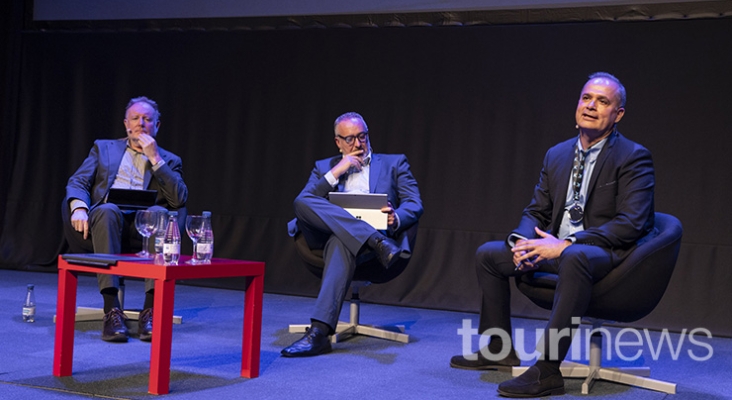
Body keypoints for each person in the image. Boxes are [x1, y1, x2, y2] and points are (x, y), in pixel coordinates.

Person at [449, 72, 655, 397]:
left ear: (618, 114)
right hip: (554, 249)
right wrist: (520, 242)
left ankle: (547, 370)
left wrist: (566, 244)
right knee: (490, 255)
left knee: (574, 257)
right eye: (586, 98)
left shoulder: (633, 156)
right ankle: (498, 348)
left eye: (603, 101)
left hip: (602, 253)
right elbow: (536, 211)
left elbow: (632, 223)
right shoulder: (557, 154)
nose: (591, 106)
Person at [281, 112, 423, 357]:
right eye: (350, 139)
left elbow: (414, 203)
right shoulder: (324, 167)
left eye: (362, 136)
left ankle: (319, 333)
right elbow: (305, 202)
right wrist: (338, 171)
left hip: (358, 243)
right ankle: (374, 239)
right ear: (338, 142)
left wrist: (395, 217)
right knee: (302, 201)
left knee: (342, 241)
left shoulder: (394, 163)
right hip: (324, 236)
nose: (358, 144)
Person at [63, 96, 188, 343]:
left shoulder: (170, 160)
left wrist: (155, 159)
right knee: (108, 210)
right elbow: (79, 181)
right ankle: (112, 310)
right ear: (126, 124)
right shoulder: (103, 148)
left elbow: (179, 199)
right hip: (107, 220)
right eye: (135, 118)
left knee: (161, 213)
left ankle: (150, 311)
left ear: (157, 126)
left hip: (146, 226)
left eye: (147, 119)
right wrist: (78, 207)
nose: (141, 123)